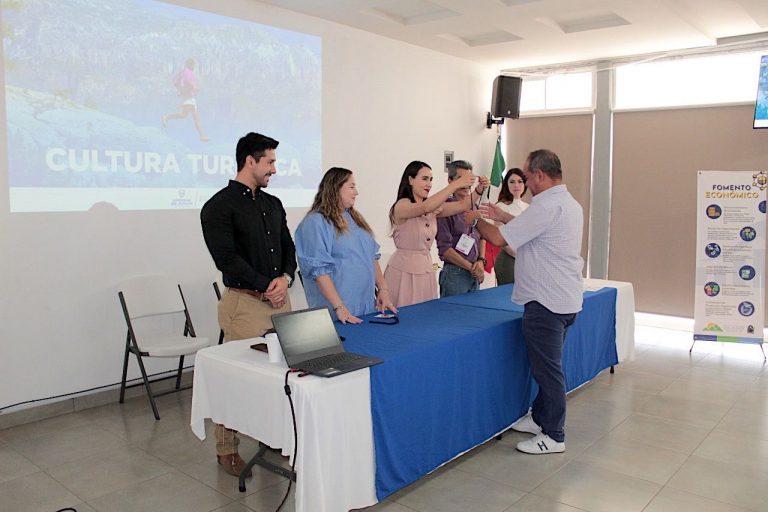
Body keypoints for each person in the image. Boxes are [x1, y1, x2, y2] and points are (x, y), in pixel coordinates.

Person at [472, 149, 583, 455]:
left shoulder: (545, 206)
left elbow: (497, 239)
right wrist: (501, 216)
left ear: (540, 176)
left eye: (528, 176)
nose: (524, 182)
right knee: (550, 366)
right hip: (564, 298)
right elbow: (532, 230)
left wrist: (473, 218)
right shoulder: (567, 203)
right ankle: (539, 417)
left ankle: (554, 434)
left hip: (545, 302)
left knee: (548, 372)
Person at [200, 132, 296, 476]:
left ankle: (273, 438)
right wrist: (265, 286)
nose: (274, 168)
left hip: (279, 299)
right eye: (269, 161)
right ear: (250, 161)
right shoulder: (219, 206)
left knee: (280, 375)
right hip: (245, 304)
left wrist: (284, 279)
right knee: (236, 378)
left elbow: (289, 249)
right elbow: (226, 259)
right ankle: (227, 449)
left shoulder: (273, 204)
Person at [295, 167, 397, 323]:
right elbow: (319, 271)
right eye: (351, 186)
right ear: (336, 188)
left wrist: (383, 289)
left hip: (364, 309)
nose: (356, 192)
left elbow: (372, 256)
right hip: (338, 315)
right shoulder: (315, 223)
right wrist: (339, 308)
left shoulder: (355, 219)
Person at [384, 160, 475, 307]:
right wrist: (454, 185)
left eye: (431, 180)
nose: (429, 184)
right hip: (404, 272)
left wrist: (479, 189)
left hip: (425, 269)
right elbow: (425, 207)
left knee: (425, 318)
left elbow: (462, 205)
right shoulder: (402, 205)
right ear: (410, 180)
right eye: (425, 179)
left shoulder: (433, 207)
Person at [436, 160, 488, 297]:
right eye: (461, 179)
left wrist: (481, 261)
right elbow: (445, 249)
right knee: (453, 316)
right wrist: (471, 267)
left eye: (469, 179)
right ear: (450, 181)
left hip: (475, 271)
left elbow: (482, 236)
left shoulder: (474, 206)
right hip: (455, 273)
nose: (466, 184)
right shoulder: (443, 208)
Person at [492, 168, 529, 284]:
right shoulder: (501, 207)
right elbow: (500, 237)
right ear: (506, 184)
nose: (516, 185)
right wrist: (518, 255)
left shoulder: (529, 207)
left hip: (527, 260)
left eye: (520, 181)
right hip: (509, 259)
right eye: (512, 182)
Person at [162, 58, 210, 141]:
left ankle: (167, 117)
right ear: (191, 65)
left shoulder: (182, 72)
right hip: (189, 96)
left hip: (187, 96)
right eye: (194, 65)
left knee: (184, 115)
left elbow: (176, 82)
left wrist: (181, 90)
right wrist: (194, 88)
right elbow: (189, 82)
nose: (194, 67)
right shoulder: (188, 72)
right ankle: (202, 136)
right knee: (194, 117)